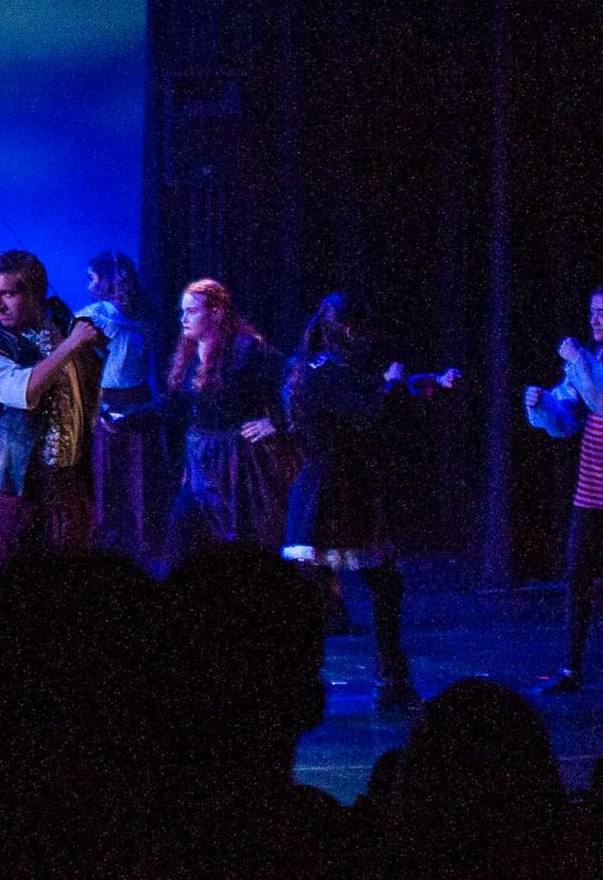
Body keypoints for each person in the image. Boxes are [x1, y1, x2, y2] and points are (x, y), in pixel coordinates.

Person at [283, 292, 457, 711]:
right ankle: (299, 682)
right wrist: (396, 384)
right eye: (362, 331)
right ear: (348, 329)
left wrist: (426, 381)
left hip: (349, 488)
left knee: (380, 585)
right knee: (317, 594)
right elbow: (368, 410)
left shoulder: (336, 369)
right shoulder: (321, 373)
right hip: (330, 492)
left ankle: (388, 681)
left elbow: (373, 389)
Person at [0, 250, 103, 597]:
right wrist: (72, 345)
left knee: (65, 588)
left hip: (68, 484)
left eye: (8, 293)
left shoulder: (66, 330)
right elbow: (24, 392)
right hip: (15, 486)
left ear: (35, 293)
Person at [139, 279, 295, 562]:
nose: (183, 319)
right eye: (181, 312)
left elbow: (293, 378)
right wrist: (126, 417)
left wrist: (277, 423)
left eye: (192, 311)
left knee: (244, 537)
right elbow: (174, 404)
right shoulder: (188, 355)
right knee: (181, 527)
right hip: (200, 460)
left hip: (238, 461)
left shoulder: (245, 350)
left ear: (216, 312)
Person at [524, 284, 603, 693]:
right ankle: (571, 669)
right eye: (592, 311)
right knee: (578, 578)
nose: (595, 320)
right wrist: (541, 405)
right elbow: (567, 416)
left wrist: (578, 360)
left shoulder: (588, 361)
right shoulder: (591, 358)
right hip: (591, 490)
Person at [80, 251, 167, 567]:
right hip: (137, 400)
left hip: (114, 402)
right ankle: (137, 542)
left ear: (105, 279)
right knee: (135, 475)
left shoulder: (99, 314)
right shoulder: (144, 313)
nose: (89, 285)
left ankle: (109, 542)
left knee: (111, 476)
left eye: (92, 278)